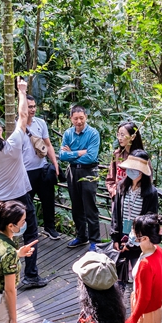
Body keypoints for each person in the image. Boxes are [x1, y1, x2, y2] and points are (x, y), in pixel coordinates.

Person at [0, 78, 48, 290]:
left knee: (4, 235)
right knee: (30, 233)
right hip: (20, 197)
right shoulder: (13, 145)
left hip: (1, 199)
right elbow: (23, 116)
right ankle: (31, 275)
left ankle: (3, 272)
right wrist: (22, 91)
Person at [110, 150, 159, 288]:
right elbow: (116, 214)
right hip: (121, 236)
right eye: (130, 167)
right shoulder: (122, 187)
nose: (131, 171)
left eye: (135, 168)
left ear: (143, 171)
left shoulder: (151, 193)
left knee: (139, 276)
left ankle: (136, 298)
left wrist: (133, 242)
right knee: (118, 276)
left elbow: (150, 220)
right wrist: (115, 238)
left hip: (138, 241)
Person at [59, 105, 101, 251]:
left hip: (89, 172)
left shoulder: (93, 133)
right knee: (76, 206)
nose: (79, 121)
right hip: (72, 172)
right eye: (76, 118)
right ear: (71, 118)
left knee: (90, 207)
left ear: (86, 117)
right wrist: (79, 153)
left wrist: (71, 154)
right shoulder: (68, 134)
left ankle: (95, 241)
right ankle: (81, 236)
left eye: (81, 118)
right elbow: (62, 156)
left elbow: (91, 157)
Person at [22, 94, 61, 240]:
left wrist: (55, 164)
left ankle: (50, 228)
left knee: (48, 200)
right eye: (29, 107)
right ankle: (27, 230)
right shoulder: (17, 126)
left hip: (42, 168)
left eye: (34, 106)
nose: (32, 109)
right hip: (25, 172)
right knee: (26, 203)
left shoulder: (40, 123)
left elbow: (48, 144)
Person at [106, 121, 144, 197]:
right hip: (118, 197)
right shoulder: (117, 154)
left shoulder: (141, 157)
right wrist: (114, 192)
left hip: (135, 198)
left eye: (122, 135)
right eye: (118, 134)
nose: (119, 138)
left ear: (132, 137)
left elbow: (147, 181)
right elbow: (110, 179)